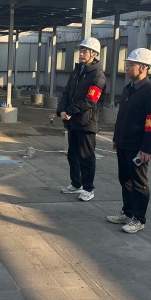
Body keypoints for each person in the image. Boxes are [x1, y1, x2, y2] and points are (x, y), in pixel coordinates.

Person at [107, 48, 151, 233]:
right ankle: (128, 212)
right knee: (125, 179)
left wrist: (147, 148)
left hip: (138, 146)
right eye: (127, 64)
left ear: (144, 67)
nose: (127, 68)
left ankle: (139, 219)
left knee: (139, 183)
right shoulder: (129, 88)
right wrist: (116, 138)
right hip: (124, 142)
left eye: (131, 65)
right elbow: (122, 116)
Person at [56, 37, 106, 202]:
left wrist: (70, 111)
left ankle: (88, 188)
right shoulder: (77, 72)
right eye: (81, 50)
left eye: (85, 51)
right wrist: (62, 110)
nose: (81, 53)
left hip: (87, 122)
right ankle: (76, 183)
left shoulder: (98, 75)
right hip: (73, 121)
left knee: (86, 157)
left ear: (94, 54)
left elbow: (90, 100)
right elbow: (66, 93)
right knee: (72, 155)